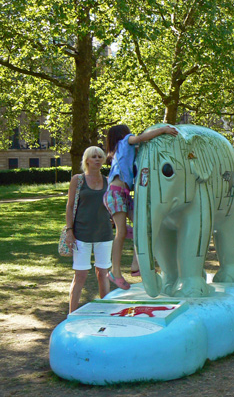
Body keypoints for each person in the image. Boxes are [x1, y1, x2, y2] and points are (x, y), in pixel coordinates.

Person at [103, 124, 178, 290]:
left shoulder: (122, 151)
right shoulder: (125, 141)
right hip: (116, 193)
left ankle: (137, 264)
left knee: (142, 225)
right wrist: (163, 130)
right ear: (123, 134)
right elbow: (141, 138)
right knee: (121, 232)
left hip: (123, 193)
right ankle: (115, 271)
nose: (132, 134)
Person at [65, 146, 113, 313]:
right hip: (81, 234)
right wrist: (69, 231)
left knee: (103, 273)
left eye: (100, 156)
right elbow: (70, 206)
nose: (98, 159)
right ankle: (71, 314)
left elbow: (114, 205)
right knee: (81, 275)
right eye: (93, 157)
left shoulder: (109, 180)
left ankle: (105, 312)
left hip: (104, 234)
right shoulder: (77, 180)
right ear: (86, 160)